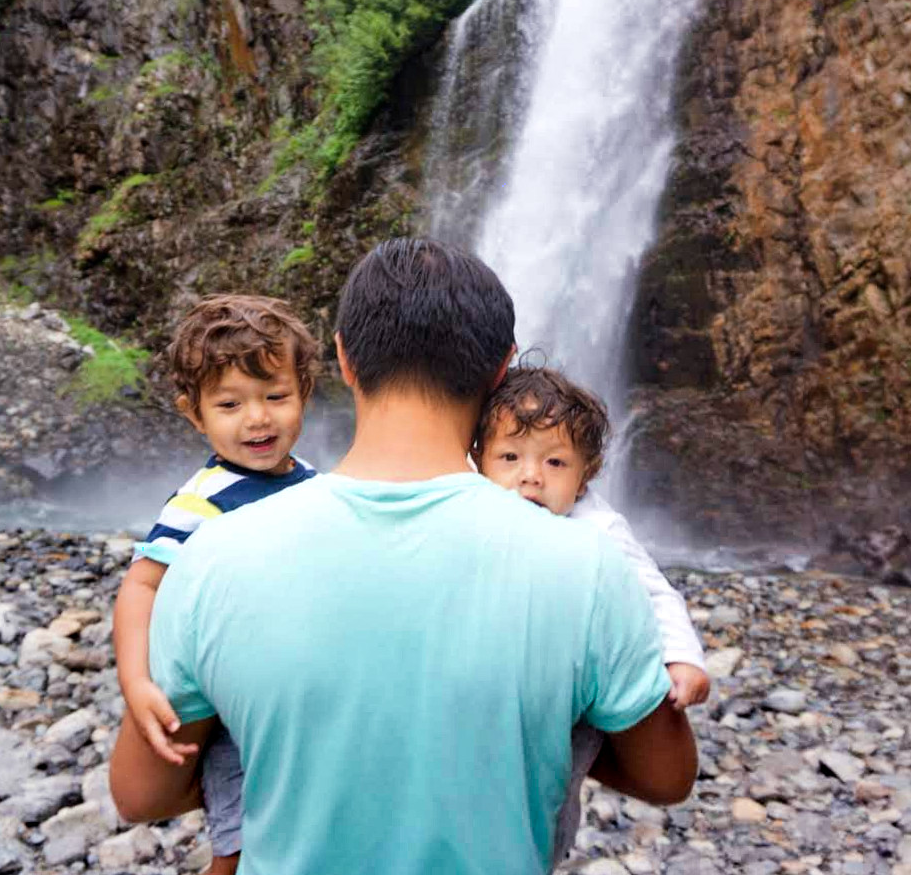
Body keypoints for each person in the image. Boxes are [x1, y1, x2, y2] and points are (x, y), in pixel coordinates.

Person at [111, 238, 697, 875]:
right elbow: (667, 777)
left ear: (342, 357)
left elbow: (143, 794)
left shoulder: (213, 556)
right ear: (502, 369)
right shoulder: (588, 566)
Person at [112, 293, 322, 875]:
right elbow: (142, 588)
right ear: (194, 413)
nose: (257, 418)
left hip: (298, 698)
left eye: (276, 396)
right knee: (239, 850)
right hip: (234, 709)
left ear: (304, 391)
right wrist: (136, 681)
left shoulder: (313, 483)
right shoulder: (198, 504)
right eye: (230, 404)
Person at [472, 364, 709, 866]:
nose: (530, 476)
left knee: (556, 779)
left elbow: (657, 593)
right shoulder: (469, 507)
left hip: (569, 705)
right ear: (478, 460)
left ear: (587, 475)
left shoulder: (600, 530)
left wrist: (684, 659)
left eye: (555, 463)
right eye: (510, 457)